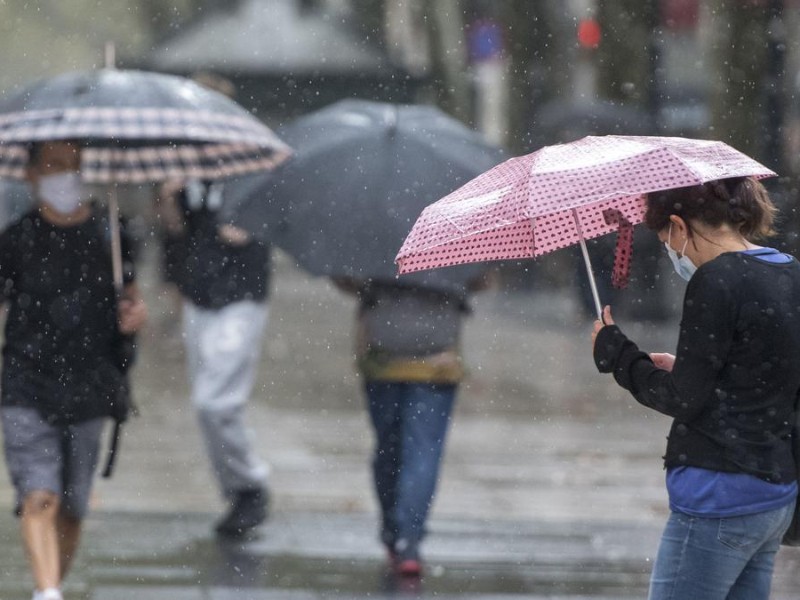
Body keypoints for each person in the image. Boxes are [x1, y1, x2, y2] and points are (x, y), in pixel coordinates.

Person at [591, 177, 800, 599]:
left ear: (679, 225)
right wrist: (687, 367)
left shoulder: (715, 280)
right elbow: (769, 370)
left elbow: (682, 398)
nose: (670, 250)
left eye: (665, 237)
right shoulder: (788, 271)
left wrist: (618, 354)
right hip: (775, 491)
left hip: (719, 492)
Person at [0, 140, 147, 600]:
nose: (67, 176)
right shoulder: (17, 239)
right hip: (26, 381)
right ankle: (47, 593)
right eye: (55, 166)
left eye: (75, 166)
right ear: (32, 174)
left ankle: (52, 585)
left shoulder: (114, 234)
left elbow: (132, 302)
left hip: (90, 381)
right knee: (38, 495)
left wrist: (133, 321)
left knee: (72, 505)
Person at [335, 276, 487, 577]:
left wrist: (369, 288)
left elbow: (344, 274)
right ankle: (409, 540)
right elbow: (481, 277)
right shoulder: (455, 233)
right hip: (437, 355)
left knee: (388, 446)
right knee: (423, 452)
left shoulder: (372, 232)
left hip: (383, 352)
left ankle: (394, 530)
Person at [157, 175, 271, 537]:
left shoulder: (255, 173)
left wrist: (251, 227)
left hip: (241, 297)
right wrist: (168, 199)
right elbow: (176, 230)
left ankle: (250, 483)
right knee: (205, 405)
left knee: (215, 402)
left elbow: (282, 219)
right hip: (198, 295)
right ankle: (239, 491)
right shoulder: (187, 171)